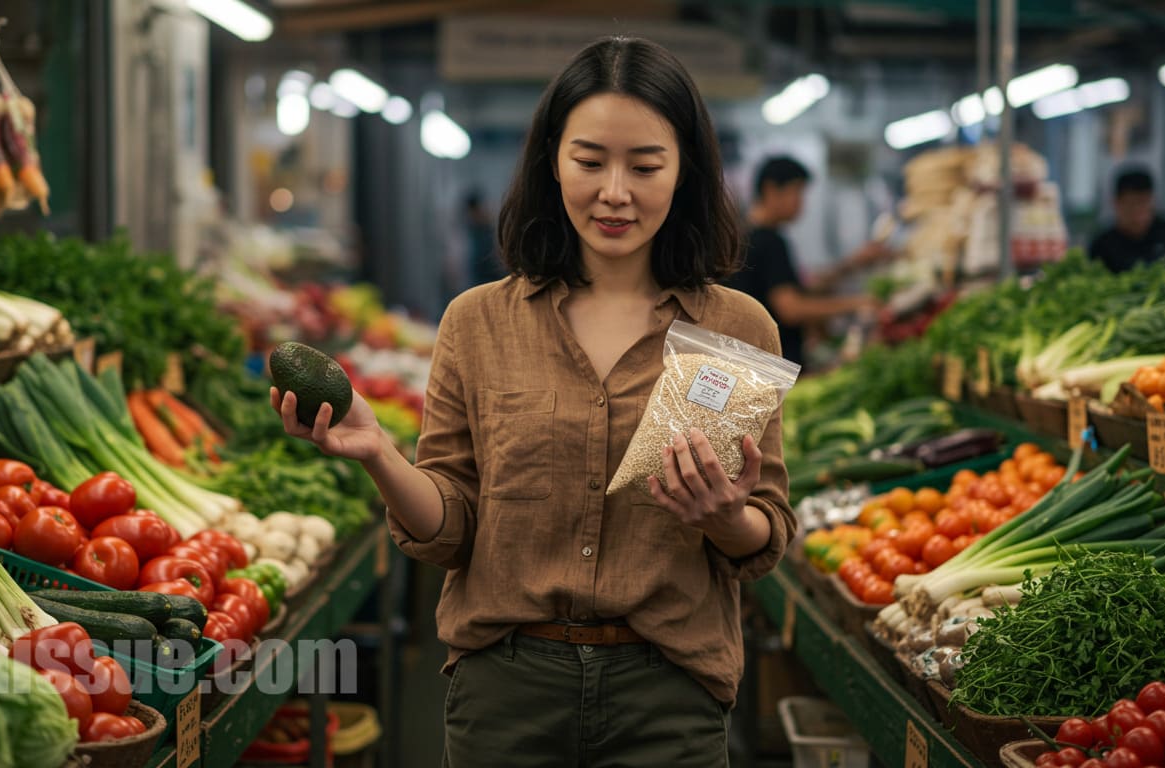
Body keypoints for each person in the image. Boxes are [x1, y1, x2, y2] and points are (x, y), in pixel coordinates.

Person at [271, 36, 793, 767]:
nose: (615, 191)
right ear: (552, 162)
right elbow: (452, 529)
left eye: (645, 165)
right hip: (505, 692)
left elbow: (766, 533)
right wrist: (379, 454)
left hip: (670, 697)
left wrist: (725, 516)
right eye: (589, 161)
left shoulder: (736, 329)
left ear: (686, 172)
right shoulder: (478, 322)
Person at [725, 156, 887, 368]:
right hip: (774, 365)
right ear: (771, 190)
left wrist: (852, 263)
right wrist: (856, 303)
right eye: (798, 192)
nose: (801, 203)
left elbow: (798, 287)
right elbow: (791, 308)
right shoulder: (768, 241)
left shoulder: (748, 236)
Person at [1089, 168, 1165, 274]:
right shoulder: (1102, 246)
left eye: (1143, 203)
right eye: (1131, 205)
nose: (1138, 211)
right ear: (1116, 203)